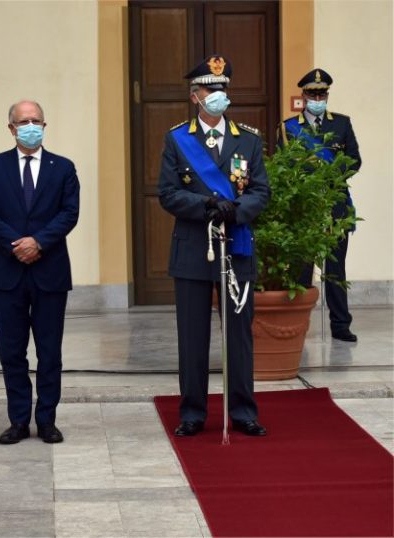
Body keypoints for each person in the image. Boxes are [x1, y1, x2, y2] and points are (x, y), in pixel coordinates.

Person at [158, 55, 270, 437]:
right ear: (195, 96)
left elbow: (260, 191)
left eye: (223, 88)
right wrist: (206, 205)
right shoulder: (177, 139)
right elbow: (168, 194)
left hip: (236, 245)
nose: (219, 95)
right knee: (193, 336)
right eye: (211, 89)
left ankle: (243, 411)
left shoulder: (249, 140)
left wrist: (235, 211)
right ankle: (192, 413)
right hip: (193, 246)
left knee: (238, 333)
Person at [0, 100, 80, 444]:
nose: (31, 126)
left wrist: (38, 242)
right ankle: (18, 420)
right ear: (11, 128)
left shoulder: (62, 168)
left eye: (36, 120)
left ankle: (47, 420)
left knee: (50, 352)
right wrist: (16, 244)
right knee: (12, 352)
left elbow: (69, 213)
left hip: (50, 270)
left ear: (45, 126)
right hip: (7, 273)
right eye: (24, 121)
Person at [278, 69, 362, 342]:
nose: (317, 98)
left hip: (335, 205)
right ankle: (298, 324)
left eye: (322, 94)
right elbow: (282, 165)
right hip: (305, 207)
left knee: (335, 269)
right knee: (302, 268)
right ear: (303, 96)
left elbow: (354, 160)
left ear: (327, 95)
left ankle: (340, 325)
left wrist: (330, 176)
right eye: (312, 94)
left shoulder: (341, 124)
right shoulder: (288, 128)